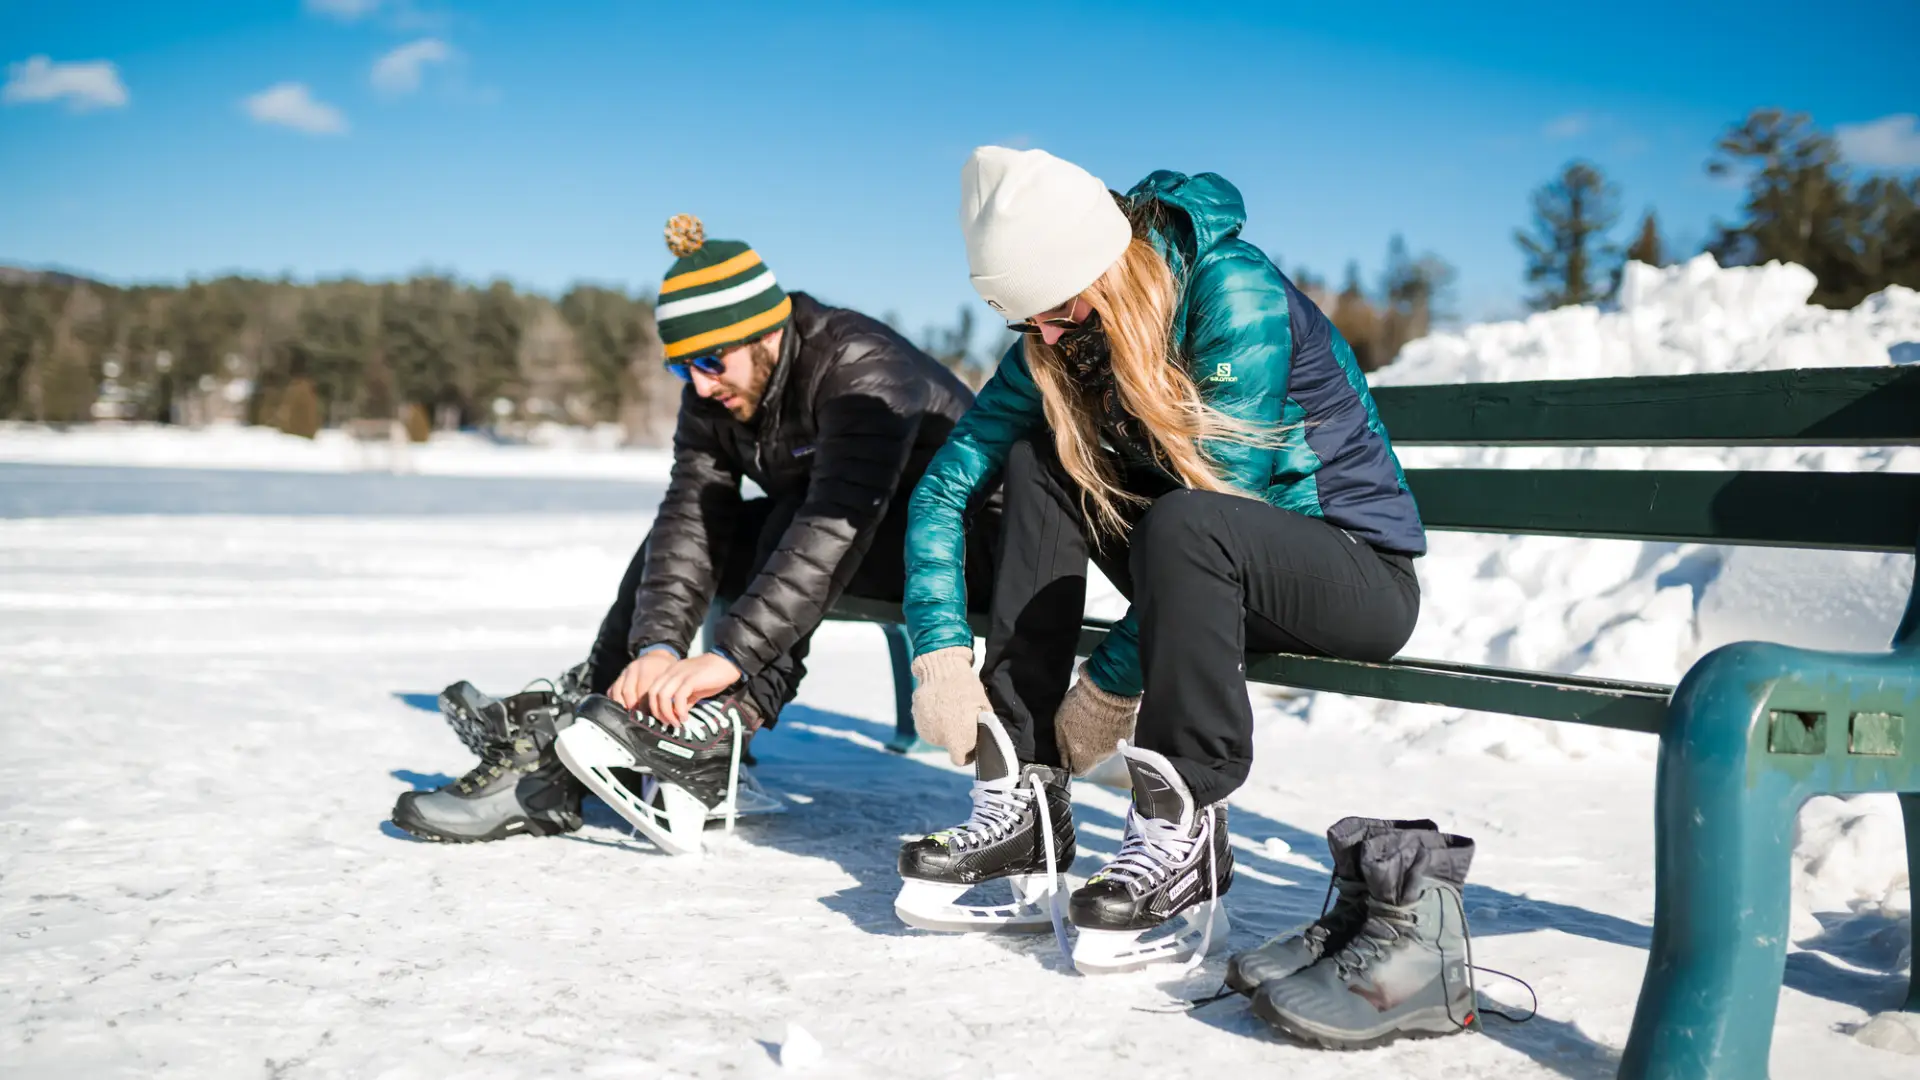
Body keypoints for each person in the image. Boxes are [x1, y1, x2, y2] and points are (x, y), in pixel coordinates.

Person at [895, 148, 1427, 979]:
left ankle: (1186, 824)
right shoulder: (1060, 336)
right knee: (1039, 462)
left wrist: (1108, 686)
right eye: (1026, 321)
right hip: (1203, 566)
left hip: (1350, 572)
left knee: (1188, 520)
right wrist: (936, 656)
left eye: (1062, 311)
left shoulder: (1231, 291)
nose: (1048, 338)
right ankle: (1028, 794)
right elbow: (941, 492)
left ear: (1103, 270)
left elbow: (1227, 502)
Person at [393, 214, 983, 851]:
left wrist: (725, 658)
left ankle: (714, 735)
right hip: (843, 536)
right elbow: (689, 516)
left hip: (961, 552)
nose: (701, 385)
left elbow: (832, 523)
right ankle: (578, 735)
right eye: (683, 368)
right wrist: (657, 647)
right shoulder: (713, 394)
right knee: (697, 525)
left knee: (788, 519)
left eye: (710, 361)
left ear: (766, 332)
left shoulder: (860, 367)